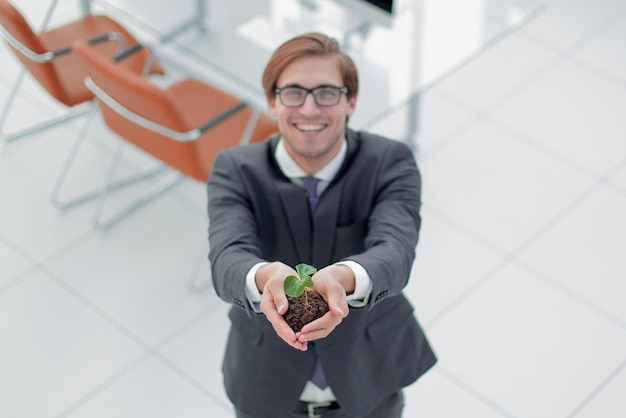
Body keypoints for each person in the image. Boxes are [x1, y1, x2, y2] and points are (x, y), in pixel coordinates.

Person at [207, 32, 436, 418]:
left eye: (326, 93)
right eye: (293, 93)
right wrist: (264, 278)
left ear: (351, 101)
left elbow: (395, 250)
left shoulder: (390, 161)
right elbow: (228, 257)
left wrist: (345, 276)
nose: (310, 110)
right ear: (272, 102)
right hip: (266, 383)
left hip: (370, 379)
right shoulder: (235, 168)